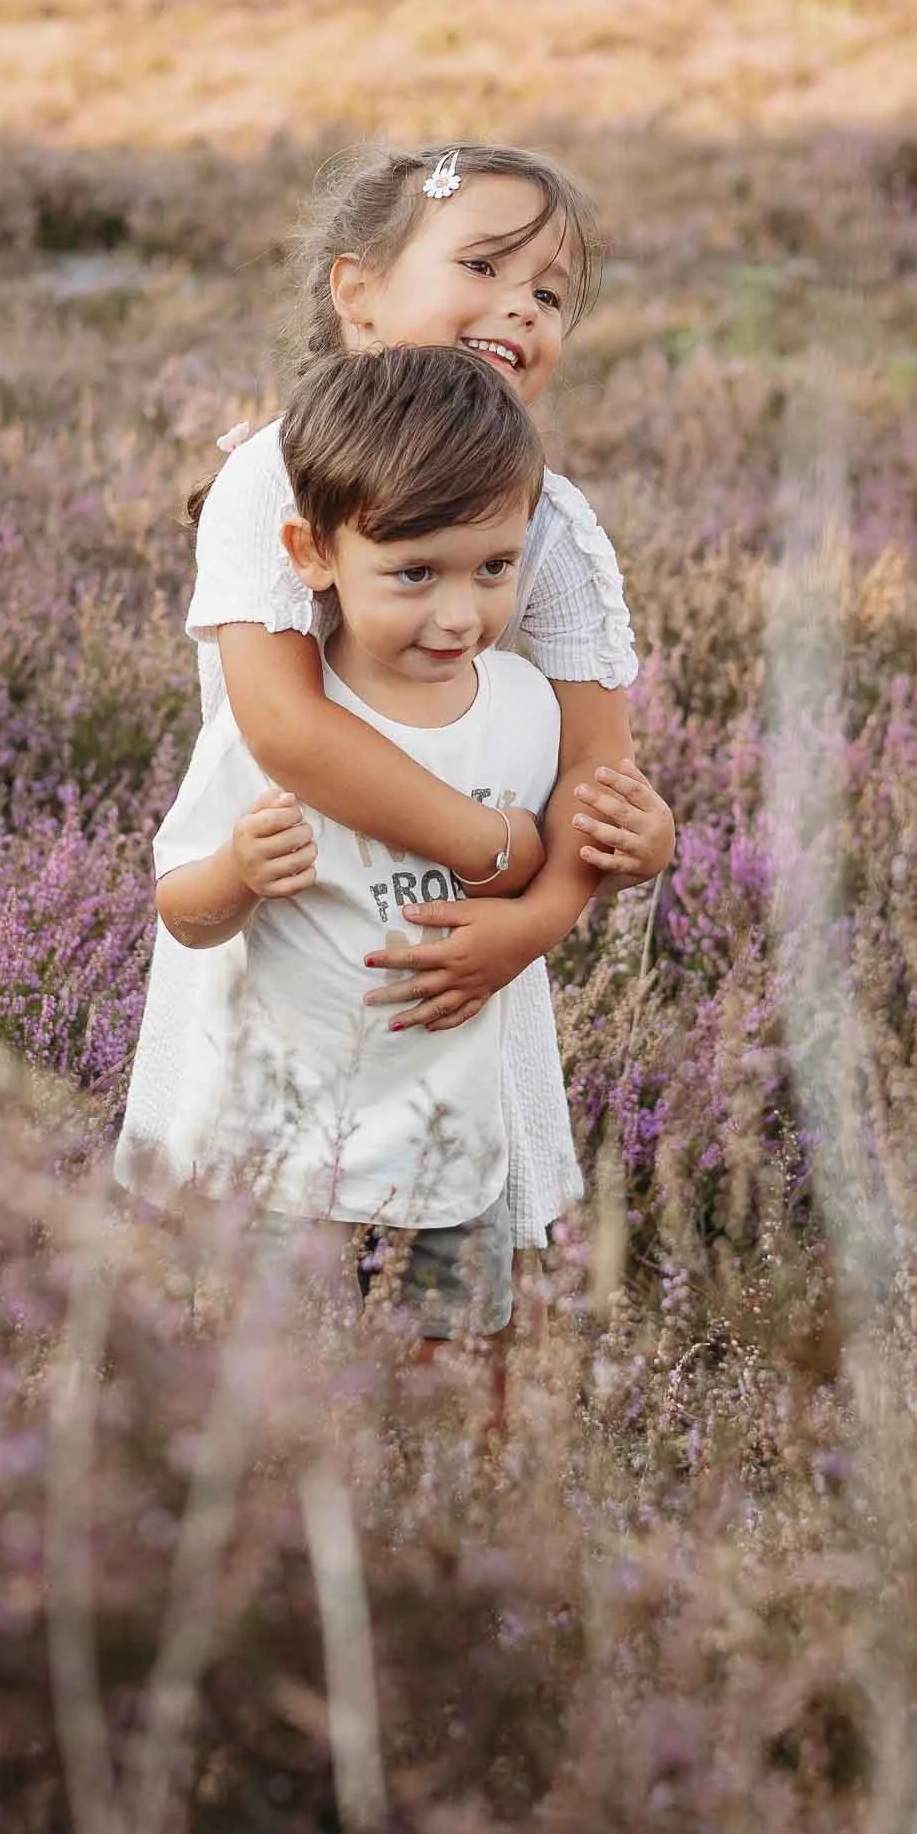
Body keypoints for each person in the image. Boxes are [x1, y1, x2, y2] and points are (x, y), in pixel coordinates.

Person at [117, 138, 675, 1269]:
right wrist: (494, 845)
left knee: (460, 1271)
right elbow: (287, 727)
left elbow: (595, 778)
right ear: (358, 295)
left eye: (549, 293)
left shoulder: (548, 527)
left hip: (460, 967)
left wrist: (544, 911)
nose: (518, 310)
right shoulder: (270, 482)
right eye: (481, 267)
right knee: (247, 1259)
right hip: (290, 922)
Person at [130, 342, 561, 1336]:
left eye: (492, 568)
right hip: (276, 1156)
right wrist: (237, 874)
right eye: (413, 574)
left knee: (448, 1381)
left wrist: (550, 866)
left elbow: (556, 850)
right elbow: (182, 914)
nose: (459, 615)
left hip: (451, 1146)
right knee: (259, 1395)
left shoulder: (522, 709)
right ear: (310, 554)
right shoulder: (270, 728)